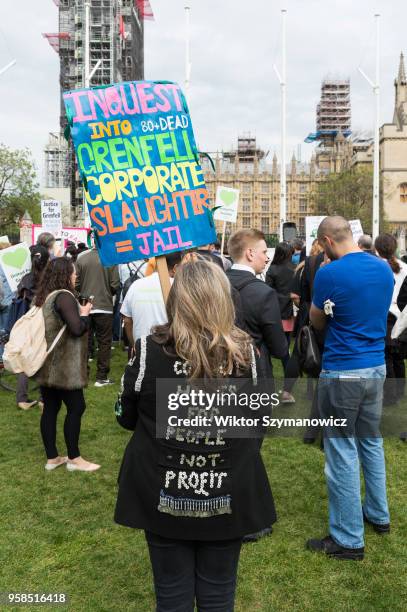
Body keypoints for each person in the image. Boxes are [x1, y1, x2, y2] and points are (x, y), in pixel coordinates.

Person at [114, 259, 276, 611]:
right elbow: (260, 417)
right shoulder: (244, 352)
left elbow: (124, 415)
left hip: (171, 488)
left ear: (177, 300)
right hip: (217, 486)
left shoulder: (148, 349)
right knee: (212, 595)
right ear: (223, 299)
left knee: (175, 595)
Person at [307, 216, 393, 560]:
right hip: (376, 367)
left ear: (327, 241)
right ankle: (378, 514)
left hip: (344, 369)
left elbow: (315, 317)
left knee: (341, 451)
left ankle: (348, 538)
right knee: (371, 442)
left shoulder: (329, 273)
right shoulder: (384, 268)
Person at [34, 257, 100, 472]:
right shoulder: (64, 297)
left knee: (51, 408)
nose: (75, 275)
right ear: (64, 274)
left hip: (47, 362)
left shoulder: (45, 296)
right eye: (73, 272)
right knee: (76, 407)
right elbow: (77, 329)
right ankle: (74, 458)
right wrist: (85, 314)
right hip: (64, 365)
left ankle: (52, 458)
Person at [226, 229, 287, 379]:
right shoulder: (264, 293)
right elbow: (279, 348)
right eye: (264, 252)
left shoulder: (215, 283)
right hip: (253, 374)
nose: (267, 258)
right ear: (250, 254)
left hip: (221, 371)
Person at [75, 247, 120, 386]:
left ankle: (83, 376)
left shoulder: (82, 258)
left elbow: (76, 283)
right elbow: (115, 285)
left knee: (84, 341)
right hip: (104, 306)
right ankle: (101, 377)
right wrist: (105, 292)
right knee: (104, 342)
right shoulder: (110, 258)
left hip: (85, 306)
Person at [121, 252, 182, 348]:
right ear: (175, 268)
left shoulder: (136, 285)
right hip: (169, 348)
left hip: (141, 348)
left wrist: (133, 345)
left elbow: (127, 320)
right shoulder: (179, 287)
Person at [15, 245, 50, 410]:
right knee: (45, 358)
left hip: (27, 322)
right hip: (44, 322)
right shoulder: (49, 280)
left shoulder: (25, 279)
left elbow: (17, 297)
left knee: (25, 358)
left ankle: (22, 399)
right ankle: (44, 399)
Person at [375, 233, 407, 405]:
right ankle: (398, 391)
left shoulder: (377, 266)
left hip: (385, 313)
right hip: (400, 314)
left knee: (387, 355)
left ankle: (391, 395)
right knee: (397, 355)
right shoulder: (403, 267)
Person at [265, 242, 295, 400]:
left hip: (274, 314)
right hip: (288, 314)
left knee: (268, 352)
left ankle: (270, 388)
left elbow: (267, 292)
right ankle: (287, 389)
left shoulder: (272, 269)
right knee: (285, 354)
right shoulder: (294, 268)